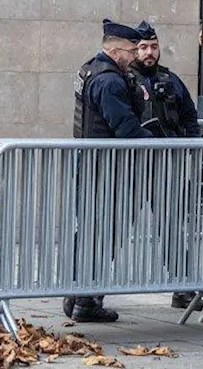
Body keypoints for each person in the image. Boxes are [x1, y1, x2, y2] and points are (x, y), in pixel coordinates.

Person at [65, 19, 152, 323]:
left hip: (92, 164)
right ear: (116, 50)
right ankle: (87, 301)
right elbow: (126, 128)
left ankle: (77, 295)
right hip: (106, 168)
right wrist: (161, 144)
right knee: (105, 233)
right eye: (131, 50)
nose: (135, 55)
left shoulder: (91, 68)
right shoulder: (110, 80)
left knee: (90, 230)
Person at [130, 20, 202, 310]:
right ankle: (89, 293)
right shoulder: (124, 79)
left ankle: (182, 287)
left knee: (171, 225)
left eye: (153, 47)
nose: (149, 52)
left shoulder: (170, 80)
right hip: (131, 165)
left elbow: (189, 117)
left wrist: (191, 148)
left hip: (164, 164)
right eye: (143, 47)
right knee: (115, 228)